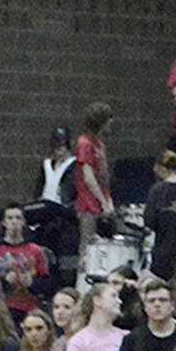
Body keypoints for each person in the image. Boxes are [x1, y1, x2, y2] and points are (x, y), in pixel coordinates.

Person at [73, 103, 115, 262]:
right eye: (108, 123)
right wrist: (102, 201)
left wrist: (108, 200)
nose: (110, 126)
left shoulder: (100, 145)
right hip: (88, 204)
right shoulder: (85, 143)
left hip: (101, 203)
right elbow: (89, 177)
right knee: (87, 246)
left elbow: (103, 177)